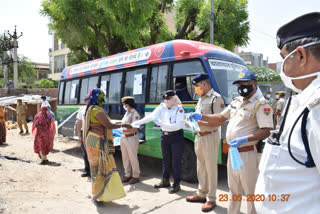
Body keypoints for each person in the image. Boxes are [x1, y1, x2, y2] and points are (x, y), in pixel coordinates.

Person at [254, 12, 320, 213]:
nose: (282, 67)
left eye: (284, 58)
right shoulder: (304, 98)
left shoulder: (317, 107)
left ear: (300, 55)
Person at [189, 69, 273, 214]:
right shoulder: (236, 102)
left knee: (250, 190)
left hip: (248, 153)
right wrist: (201, 116)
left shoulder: (261, 104)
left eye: (244, 84)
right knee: (233, 188)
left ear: (253, 84)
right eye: (238, 84)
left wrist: (245, 139)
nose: (241, 87)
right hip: (233, 152)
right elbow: (221, 118)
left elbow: (266, 130)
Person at [83, 88, 131, 203]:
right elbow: (108, 125)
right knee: (98, 168)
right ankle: (97, 196)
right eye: (102, 96)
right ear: (97, 97)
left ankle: (99, 194)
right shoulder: (96, 110)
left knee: (97, 168)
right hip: (96, 140)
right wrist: (123, 124)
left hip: (92, 138)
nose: (103, 98)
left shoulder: (91, 108)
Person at [185, 73, 225, 212]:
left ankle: (211, 198)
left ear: (205, 84)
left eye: (197, 85)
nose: (196, 88)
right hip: (199, 136)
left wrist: (200, 120)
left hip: (209, 136)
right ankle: (201, 193)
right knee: (200, 166)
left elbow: (219, 120)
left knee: (210, 168)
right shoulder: (201, 98)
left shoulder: (215, 98)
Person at [132, 90, 185, 194]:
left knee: (176, 161)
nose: (166, 101)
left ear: (174, 99)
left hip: (176, 136)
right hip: (164, 136)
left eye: (168, 99)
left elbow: (177, 126)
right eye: (164, 99)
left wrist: (160, 123)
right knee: (165, 159)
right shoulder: (162, 107)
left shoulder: (179, 110)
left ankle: (176, 184)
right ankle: (165, 181)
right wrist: (137, 123)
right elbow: (151, 116)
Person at [120, 96, 141, 184]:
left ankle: (135, 176)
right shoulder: (127, 113)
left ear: (127, 104)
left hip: (131, 137)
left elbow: (134, 129)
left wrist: (122, 130)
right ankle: (127, 174)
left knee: (133, 157)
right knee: (125, 157)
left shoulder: (134, 114)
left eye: (124, 104)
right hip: (124, 137)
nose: (123, 106)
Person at [76, 95, 90, 177]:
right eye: (87, 100)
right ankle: (87, 170)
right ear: (85, 101)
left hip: (92, 133)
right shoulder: (82, 110)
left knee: (93, 152)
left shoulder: (95, 109)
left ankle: (95, 171)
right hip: (84, 133)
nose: (88, 101)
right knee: (85, 152)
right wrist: (79, 135)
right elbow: (79, 122)